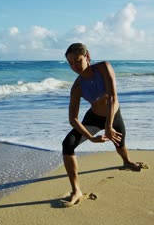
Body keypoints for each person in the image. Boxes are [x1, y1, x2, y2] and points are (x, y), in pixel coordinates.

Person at [62, 43, 144, 207]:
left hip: (114, 114)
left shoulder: (104, 68)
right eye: (70, 63)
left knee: (120, 143)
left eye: (77, 61)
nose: (74, 66)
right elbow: (73, 119)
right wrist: (91, 137)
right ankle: (76, 190)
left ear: (87, 56)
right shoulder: (77, 87)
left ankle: (126, 162)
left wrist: (109, 124)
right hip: (93, 118)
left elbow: (113, 97)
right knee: (67, 144)